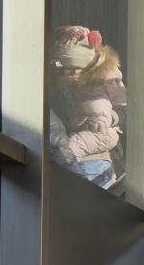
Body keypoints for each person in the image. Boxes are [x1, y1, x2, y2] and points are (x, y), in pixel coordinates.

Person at [49, 26, 126, 189]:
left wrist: (109, 118)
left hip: (99, 145)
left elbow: (126, 111)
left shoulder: (99, 82)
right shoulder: (64, 85)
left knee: (70, 150)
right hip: (86, 151)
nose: (64, 71)